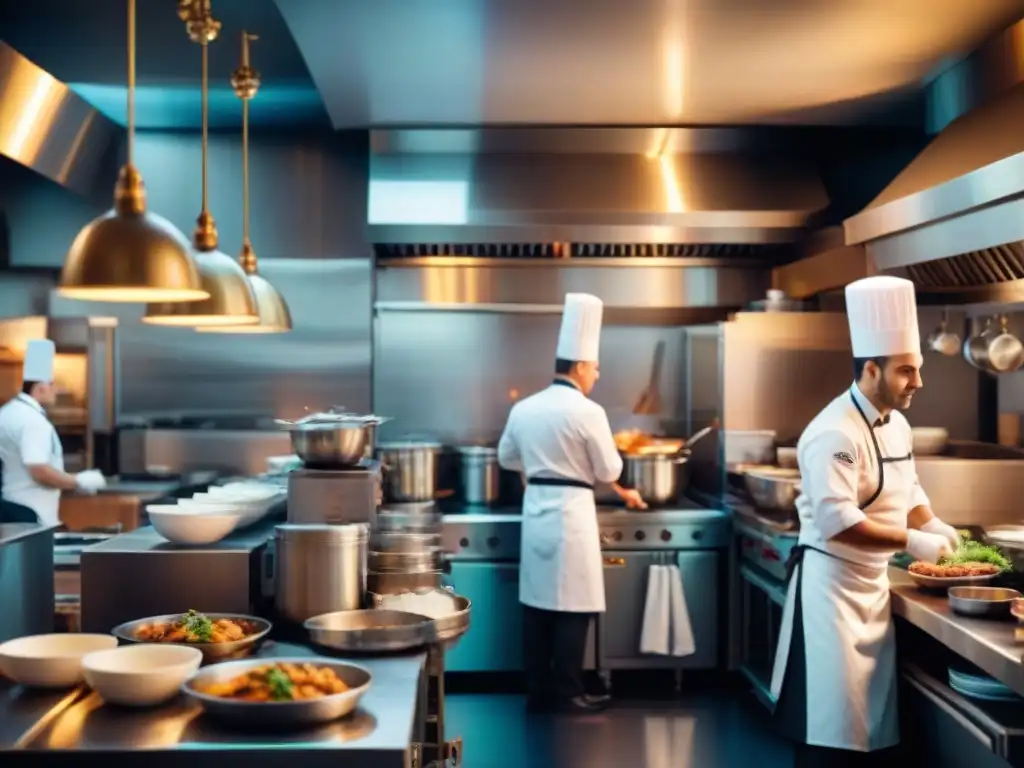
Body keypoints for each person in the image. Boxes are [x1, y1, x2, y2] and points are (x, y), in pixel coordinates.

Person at [770, 276, 959, 768]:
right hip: (830, 596)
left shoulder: (898, 422)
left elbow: (907, 487)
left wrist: (933, 523)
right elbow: (839, 522)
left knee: (868, 735)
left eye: (917, 369)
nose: (918, 382)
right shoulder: (832, 432)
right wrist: (912, 542)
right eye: (906, 371)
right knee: (828, 731)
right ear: (871, 369)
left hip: (872, 590)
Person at [498, 292, 646, 715]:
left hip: (537, 506)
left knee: (537, 602)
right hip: (573, 509)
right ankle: (567, 693)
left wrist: (537, 463)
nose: (597, 375)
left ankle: (537, 690)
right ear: (580, 366)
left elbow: (507, 458)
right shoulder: (588, 412)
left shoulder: (525, 408)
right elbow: (609, 470)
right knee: (573, 606)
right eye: (595, 367)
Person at [0, 339, 106, 525]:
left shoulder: (7, 412)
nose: (56, 391)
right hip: (31, 514)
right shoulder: (33, 421)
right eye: (53, 385)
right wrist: (80, 481)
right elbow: (39, 470)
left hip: (9, 510)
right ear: (41, 388)